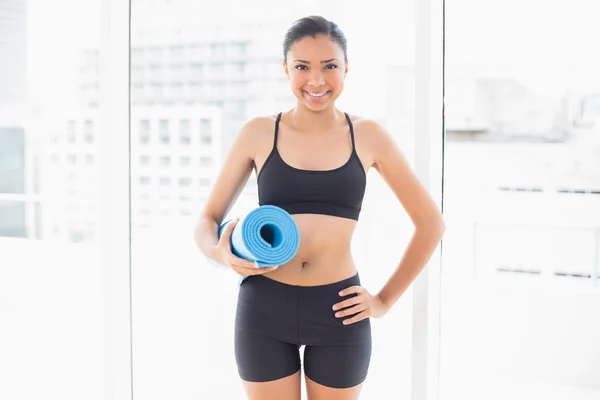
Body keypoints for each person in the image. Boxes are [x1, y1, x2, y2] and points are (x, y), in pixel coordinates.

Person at [194, 15, 445, 400]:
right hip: (264, 306)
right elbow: (207, 220)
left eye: (330, 66)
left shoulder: (369, 135)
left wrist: (382, 301)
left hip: (339, 310)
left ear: (346, 68)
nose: (316, 80)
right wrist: (220, 254)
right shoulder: (259, 133)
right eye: (302, 67)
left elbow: (431, 224)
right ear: (285, 70)